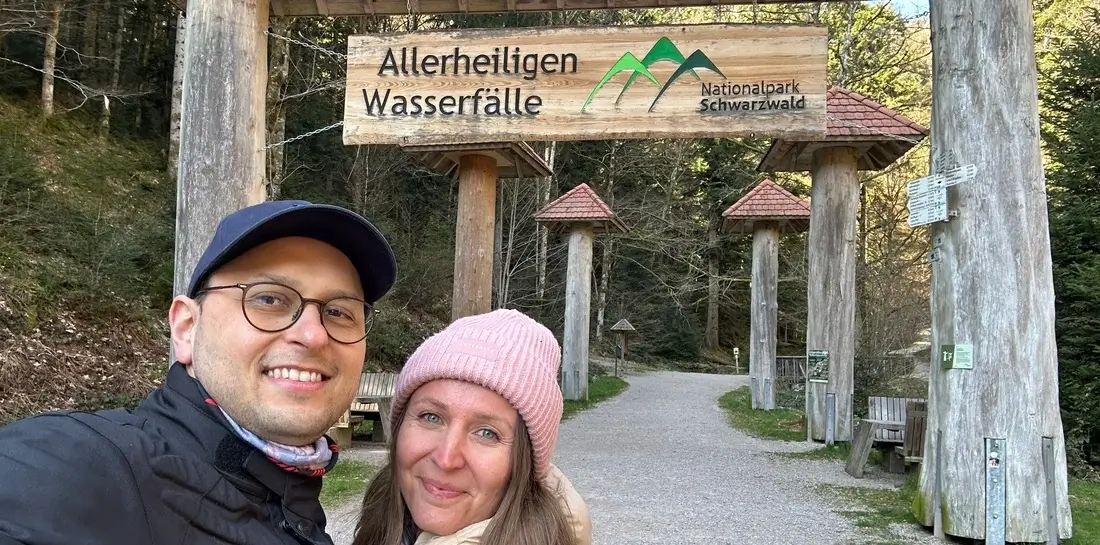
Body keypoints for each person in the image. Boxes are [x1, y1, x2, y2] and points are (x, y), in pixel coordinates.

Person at [0, 200, 397, 545]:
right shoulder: (82, 468)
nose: (312, 335)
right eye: (269, 299)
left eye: (339, 311)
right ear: (186, 328)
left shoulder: (297, 511)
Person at [351, 308, 592, 545]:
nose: (446, 459)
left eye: (487, 433)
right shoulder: (383, 522)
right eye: (431, 417)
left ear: (525, 464)